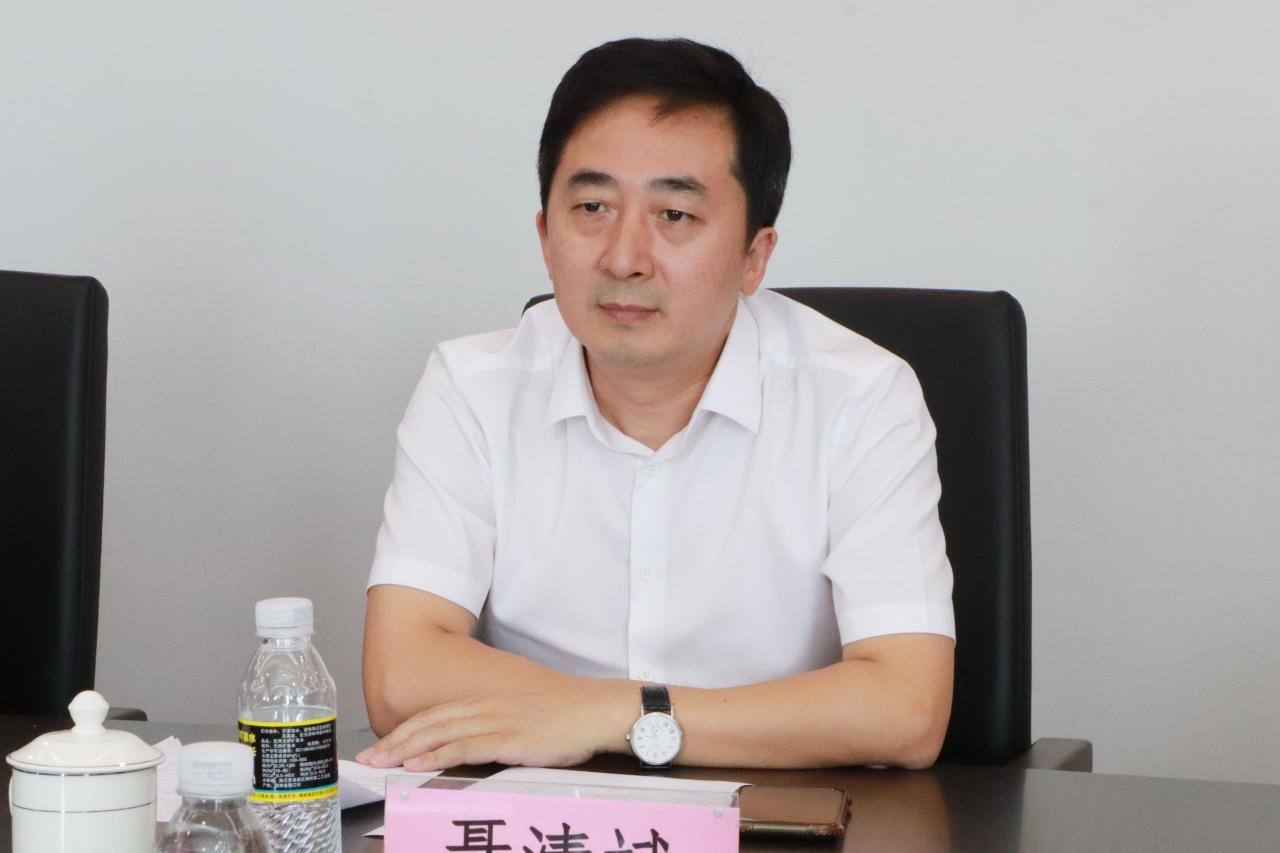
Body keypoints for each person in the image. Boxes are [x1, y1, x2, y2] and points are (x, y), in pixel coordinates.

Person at [358, 37, 955, 772]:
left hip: (775, 812)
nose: (624, 257)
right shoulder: (472, 387)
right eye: (592, 206)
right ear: (545, 234)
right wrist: (633, 715)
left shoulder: (860, 398)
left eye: (674, 214)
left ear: (755, 256)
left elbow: (906, 708)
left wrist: (614, 716)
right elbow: (401, 675)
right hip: (543, 816)